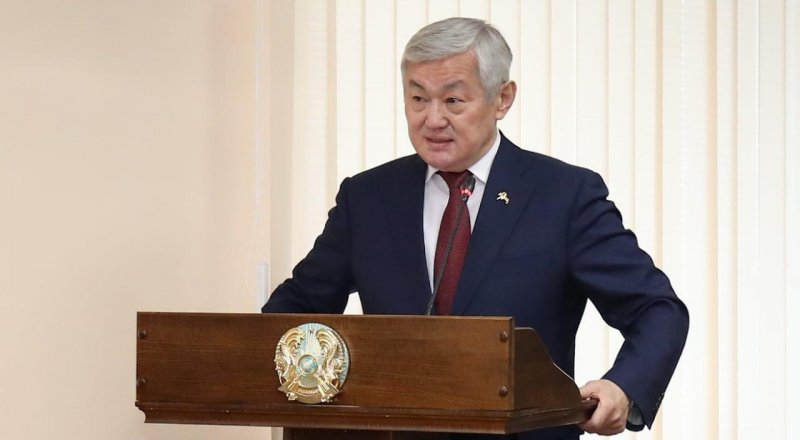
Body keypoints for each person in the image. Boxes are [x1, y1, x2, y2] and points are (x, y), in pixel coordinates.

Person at [263, 17, 689, 440]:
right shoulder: (368, 198)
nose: (432, 119)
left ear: (502, 99)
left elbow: (656, 309)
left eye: (453, 101)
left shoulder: (563, 196)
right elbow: (295, 308)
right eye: (418, 98)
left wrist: (622, 387)